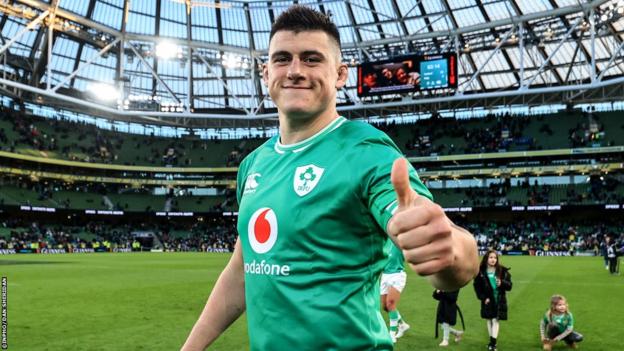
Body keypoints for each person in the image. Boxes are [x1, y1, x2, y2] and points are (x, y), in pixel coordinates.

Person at [181, 5, 479, 351]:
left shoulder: (367, 150)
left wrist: (452, 253)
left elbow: (451, 252)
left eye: (311, 59)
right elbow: (243, 268)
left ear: (340, 74)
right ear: (266, 74)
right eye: (282, 59)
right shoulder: (253, 164)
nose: (294, 71)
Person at [473, 250, 512, 351]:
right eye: (491, 257)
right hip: (488, 300)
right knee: (489, 319)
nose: (493, 259)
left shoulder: (502, 271)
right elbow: (477, 288)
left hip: (499, 300)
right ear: (486, 258)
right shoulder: (480, 272)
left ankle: (493, 344)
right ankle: (492, 342)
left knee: (495, 320)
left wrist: (502, 283)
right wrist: (483, 298)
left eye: (495, 258)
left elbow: (509, 286)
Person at [380, 241, 410, 343]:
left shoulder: (399, 242)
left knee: (390, 303)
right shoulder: (384, 241)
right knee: (385, 306)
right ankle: (402, 325)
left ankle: (391, 334)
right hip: (384, 275)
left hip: (397, 275)